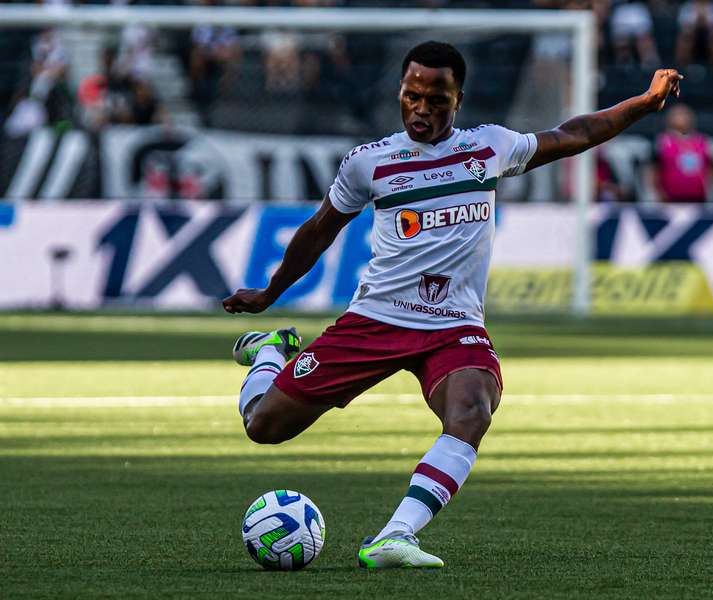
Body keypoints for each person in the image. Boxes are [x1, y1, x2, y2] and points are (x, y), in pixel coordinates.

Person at [222, 41, 682, 569]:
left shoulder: (488, 148)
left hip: (453, 325)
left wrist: (643, 104)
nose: (422, 108)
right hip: (377, 318)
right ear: (400, 92)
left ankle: (396, 536)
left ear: (457, 99)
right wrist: (271, 292)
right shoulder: (370, 163)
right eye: (411, 96)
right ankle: (271, 350)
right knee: (263, 426)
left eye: (436, 99)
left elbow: (574, 134)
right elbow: (319, 231)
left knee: (472, 409)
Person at [647, 104, 713, 203]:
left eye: (684, 115)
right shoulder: (662, 142)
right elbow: (654, 171)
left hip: (699, 199)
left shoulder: (702, 142)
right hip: (670, 200)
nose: (682, 118)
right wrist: (657, 193)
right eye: (677, 115)